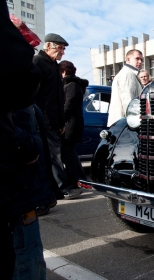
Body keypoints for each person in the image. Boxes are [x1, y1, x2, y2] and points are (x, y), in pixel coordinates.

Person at [1, 1, 52, 277]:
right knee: (28, 259)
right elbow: (17, 135)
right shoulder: (15, 90)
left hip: (23, 190)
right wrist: (27, 145)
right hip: (18, 192)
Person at [33, 33, 82, 200]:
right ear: (48, 46)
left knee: (54, 156)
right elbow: (36, 94)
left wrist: (61, 122)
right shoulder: (38, 62)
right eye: (59, 48)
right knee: (53, 157)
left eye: (63, 49)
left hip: (54, 121)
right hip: (43, 120)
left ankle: (55, 190)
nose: (62, 52)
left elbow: (59, 98)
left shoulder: (54, 66)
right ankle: (61, 189)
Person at [59, 60, 88, 190]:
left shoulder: (72, 85)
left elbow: (68, 106)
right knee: (68, 153)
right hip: (71, 123)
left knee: (69, 153)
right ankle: (75, 179)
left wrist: (60, 120)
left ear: (64, 71)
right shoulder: (72, 84)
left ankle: (80, 180)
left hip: (71, 124)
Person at [107, 49, 143, 127]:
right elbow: (128, 101)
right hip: (125, 124)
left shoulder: (129, 73)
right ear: (128, 59)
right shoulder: (127, 74)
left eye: (141, 60)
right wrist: (133, 122)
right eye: (137, 58)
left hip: (123, 123)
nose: (140, 62)